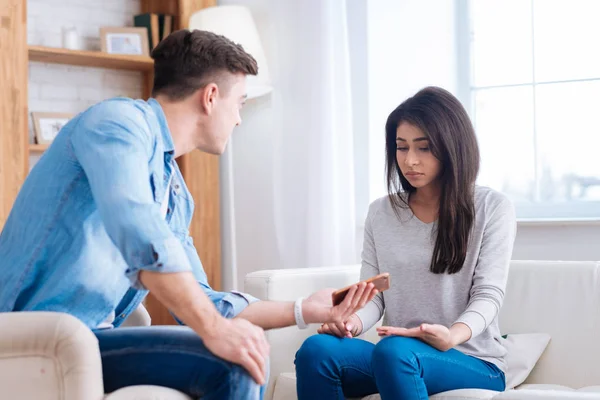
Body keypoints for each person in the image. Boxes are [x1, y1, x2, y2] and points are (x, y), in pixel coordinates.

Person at [0, 29, 378, 400]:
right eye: (240, 103)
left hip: (88, 340)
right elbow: (140, 236)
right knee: (234, 360)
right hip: (31, 335)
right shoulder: (117, 123)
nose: (239, 120)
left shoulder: (174, 193)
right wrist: (215, 330)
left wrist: (302, 309)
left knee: (243, 350)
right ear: (211, 97)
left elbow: (202, 300)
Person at [294, 86, 517, 400]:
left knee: (394, 351)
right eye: (401, 147)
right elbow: (373, 295)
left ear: (452, 147)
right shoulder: (381, 212)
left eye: (424, 148)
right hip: (397, 357)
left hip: (472, 360)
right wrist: (351, 323)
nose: (410, 160)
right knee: (317, 350)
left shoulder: (492, 207)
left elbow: (489, 295)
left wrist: (451, 336)